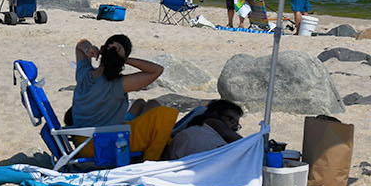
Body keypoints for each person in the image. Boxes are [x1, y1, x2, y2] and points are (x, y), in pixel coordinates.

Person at [70, 34, 176, 162]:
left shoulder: (84, 74)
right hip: (103, 144)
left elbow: (80, 43)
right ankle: (151, 159)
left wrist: (89, 50)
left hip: (82, 142)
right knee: (159, 111)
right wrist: (125, 59)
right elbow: (157, 70)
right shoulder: (117, 84)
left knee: (140, 103)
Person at [164, 100, 245, 160]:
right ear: (215, 115)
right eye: (231, 120)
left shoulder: (189, 133)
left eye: (236, 125)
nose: (233, 126)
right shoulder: (196, 134)